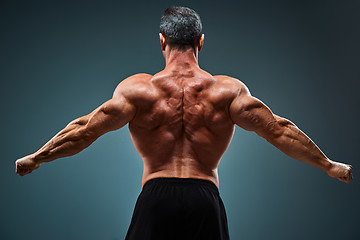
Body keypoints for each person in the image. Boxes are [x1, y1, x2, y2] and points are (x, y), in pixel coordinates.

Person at [15, 6, 353, 240]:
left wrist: (37, 157)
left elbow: (85, 129)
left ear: (162, 40)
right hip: (205, 198)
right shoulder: (226, 91)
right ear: (201, 42)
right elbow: (279, 129)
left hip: (155, 198)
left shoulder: (138, 91)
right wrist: (328, 165)